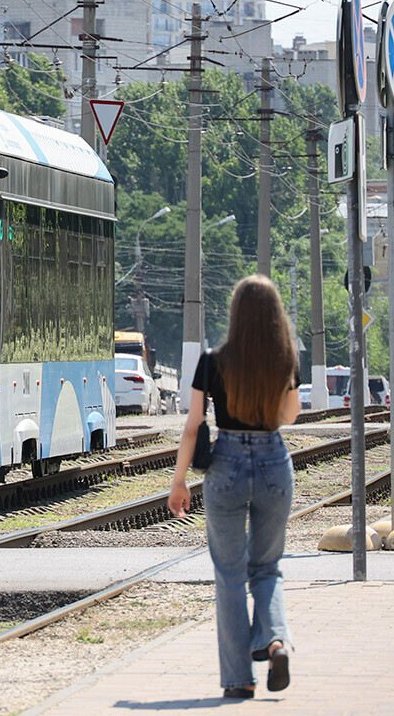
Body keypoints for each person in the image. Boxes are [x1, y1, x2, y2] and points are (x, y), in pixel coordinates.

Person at [168, 274, 301, 700]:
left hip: (224, 466)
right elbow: (291, 416)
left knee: (228, 576)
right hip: (272, 464)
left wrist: (179, 481)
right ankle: (276, 641)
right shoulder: (286, 357)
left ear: (236, 314)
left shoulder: (212, 360)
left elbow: (192, 427)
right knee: (267, 567)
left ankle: (238, 680)